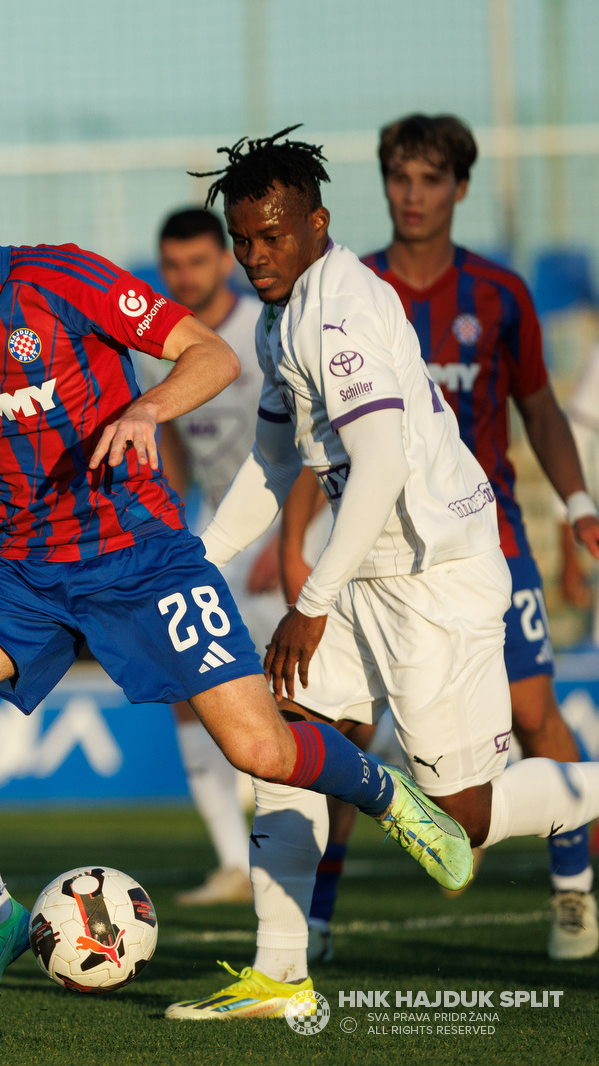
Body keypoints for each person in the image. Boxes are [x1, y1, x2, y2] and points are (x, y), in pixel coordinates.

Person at [0, 152, 476, 1034]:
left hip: (141, 558)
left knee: (259, 751)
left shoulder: (63, 279)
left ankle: (385, 793)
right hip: (25, 567)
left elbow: (211, 355)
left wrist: (147, 410)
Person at [166, 127, 599, 1021]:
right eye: (244, 240)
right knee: (281, 746)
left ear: (318, 224)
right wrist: (192, 560)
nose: (254, 256)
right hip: (367, 573)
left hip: (436, 577)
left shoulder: (343, 311)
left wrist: (310, 602)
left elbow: (384, 467)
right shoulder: (285, 318)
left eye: (271, 237)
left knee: (463, 825)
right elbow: (272, 462)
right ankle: (281, 971)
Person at [294, 115, 597, 962]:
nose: (413, 194)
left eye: (431, 179)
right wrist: (296, 540)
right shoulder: (346, 292)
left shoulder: (499, 294)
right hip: (367, 546)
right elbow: (303, 432)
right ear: (384, 184)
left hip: (482, 541)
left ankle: (572, 892)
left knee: (535, 716)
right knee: (337, 735)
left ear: (459, 187)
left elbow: (539, 405)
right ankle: (310, 921)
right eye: (400, 177)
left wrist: (575, 504)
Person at [148, 207, 267, 906]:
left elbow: (309, 436)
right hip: (216, 540)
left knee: (311, 702)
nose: (183, 277)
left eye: (196, 262)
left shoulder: (261, 330)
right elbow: (173, 457)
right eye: (171, 266)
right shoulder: (159, 346)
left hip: (295, 535)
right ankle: (232, 862)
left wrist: (290, 544)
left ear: (225, 261)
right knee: (189, 688)